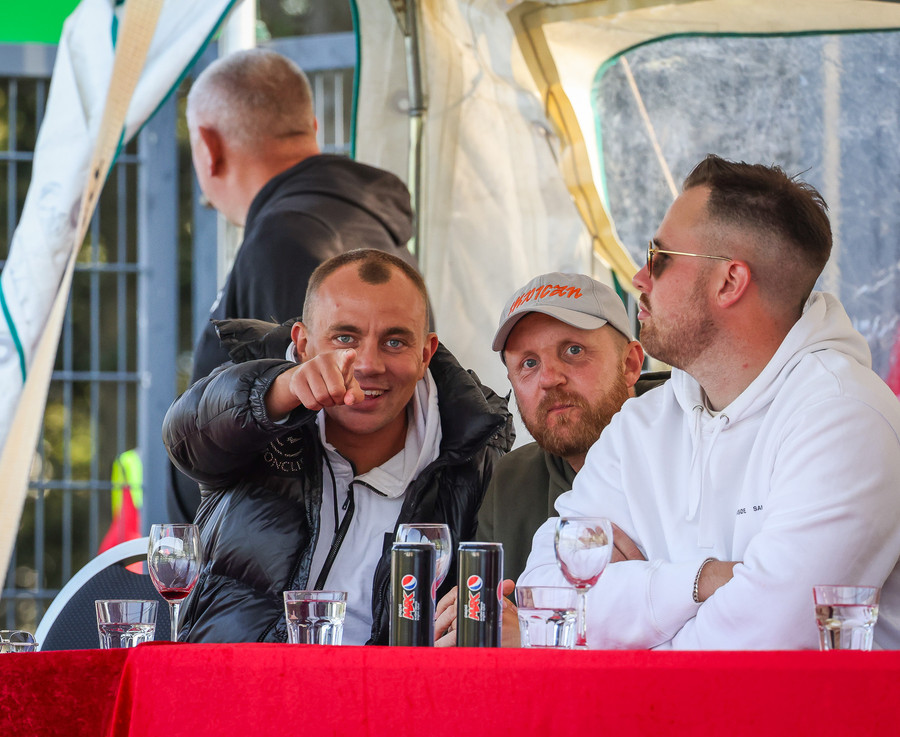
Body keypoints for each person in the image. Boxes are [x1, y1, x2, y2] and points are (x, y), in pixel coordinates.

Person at [519, 154, 900, 650]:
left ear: (729, 282)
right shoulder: (640, 424)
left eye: (659, 257)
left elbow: (764, 647)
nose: (639, 277)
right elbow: (543, 600)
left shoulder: (846, 419)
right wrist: (700, 581)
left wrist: (626, 618)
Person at [163, 249, 513, 645]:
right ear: (303, 343)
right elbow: (185, 436)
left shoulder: (476, 450)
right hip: (235, 678)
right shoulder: (256, 416)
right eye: (345, 338)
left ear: (425, 354)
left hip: (389, 684)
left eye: (394, 341)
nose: (368, 364)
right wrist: (280, 391)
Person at [168, 47, 421, 522]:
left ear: (209, 146)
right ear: (312, 128)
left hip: (294, 561)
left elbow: (311, 438)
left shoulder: (285, 241)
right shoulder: (365, 229)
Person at [477, 272, 669, 584]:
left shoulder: (699, 442)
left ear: (630, 364)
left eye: (574, 351)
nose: (549, 378)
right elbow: (493, 602)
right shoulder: (512, 481)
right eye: (529, 363)